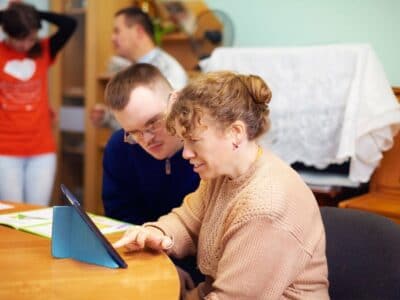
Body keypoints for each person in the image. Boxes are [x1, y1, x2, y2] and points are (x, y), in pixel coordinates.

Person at [113, 71, 330, 299]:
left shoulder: (267, 207)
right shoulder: (222, 174)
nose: (186, 153)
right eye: (183, 141)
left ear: (235, 133)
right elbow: (186, 221)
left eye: (194, 141)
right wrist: (155, 233)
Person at [103, 63, 202, 287]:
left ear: (175, 102)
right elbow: (121, 218)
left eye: (153, 123)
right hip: (145, 261)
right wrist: (161, 266)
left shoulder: (207, 147)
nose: (147, 140)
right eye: (134, 132)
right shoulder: (119, 147)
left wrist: (183, 270)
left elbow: (211, 231)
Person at [0, 2, 77, 205]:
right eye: (20, 40)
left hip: (41, 149)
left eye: (31, 38)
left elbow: (69, 24)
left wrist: (33, 14)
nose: (26, 45)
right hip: (5, 149)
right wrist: (7, 16)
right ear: (7, 33)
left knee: (38, 211)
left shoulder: (43, 49)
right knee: (12, 214)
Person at [91, 6, 187, 130]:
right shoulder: (130, 68)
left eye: (117, 31)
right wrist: (107, 116)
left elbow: (165, 122)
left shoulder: (168, 70)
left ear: (138, 31)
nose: (112, 38)